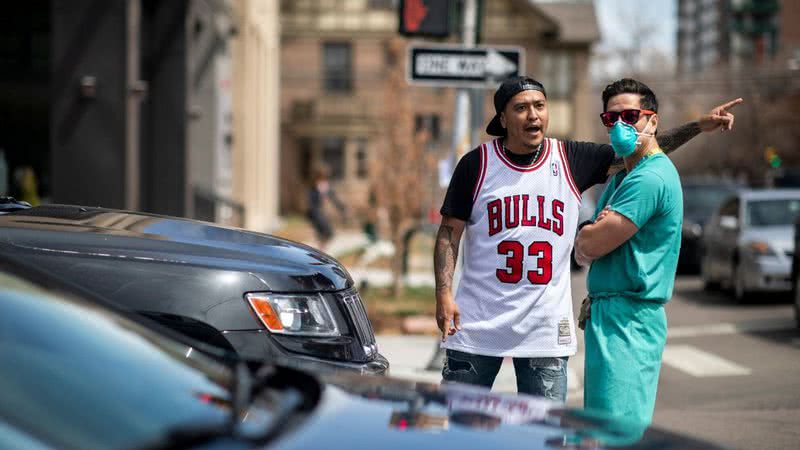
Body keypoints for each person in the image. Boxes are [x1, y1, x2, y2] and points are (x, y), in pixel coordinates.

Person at [434, 75, 741, 401]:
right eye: (521, 108)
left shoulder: (570, 158)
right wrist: (443, 293)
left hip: (544, 329)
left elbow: (645, 146)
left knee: (545, 435)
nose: (533, 115)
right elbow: (448, 234)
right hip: (478, 324)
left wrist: (699, 126)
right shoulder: (477, 164)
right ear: (502, 119)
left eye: (539, 106)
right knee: (458, 427)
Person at [573, 78, 741, 427]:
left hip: (628, 323)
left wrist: (588, 233)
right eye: (611, 119)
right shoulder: (622, 175)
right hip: (609, 318)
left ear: (652, 120)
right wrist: (698, 125)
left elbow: (588, 246)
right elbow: (586, 246)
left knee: (614, 433)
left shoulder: (648, 179)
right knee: (601, 431)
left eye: (630, 116)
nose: (620, 126)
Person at [307, 166, 346, 251]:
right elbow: (311, 201)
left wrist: (342, 208)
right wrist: (319, 191)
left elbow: (334, 198)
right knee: (325, 232)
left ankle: (320, 251)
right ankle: (320, 251)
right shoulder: (313, 185)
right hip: (314, 213)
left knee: (327, 234)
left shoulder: (325, 185)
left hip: (320, 212)